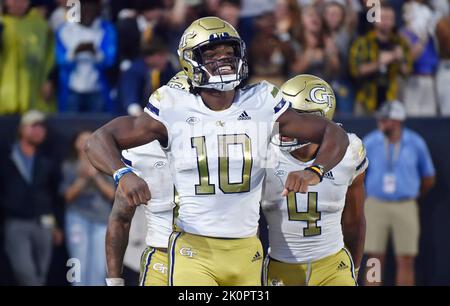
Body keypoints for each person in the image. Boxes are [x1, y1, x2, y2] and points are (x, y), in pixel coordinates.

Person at [85, 16, 349, 286]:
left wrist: (315, 172)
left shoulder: (261, 101)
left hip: (248, 248)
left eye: (229, 52)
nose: (223, 59)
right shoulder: (173, 105)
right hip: (193, 248)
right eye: (211, 53)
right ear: (190, 59)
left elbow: (334, 133)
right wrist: (123, 174)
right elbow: (97, 141)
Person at [262, 74, 368, 286]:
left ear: (319, 119)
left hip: (332, 266)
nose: (286, 122)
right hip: (280, 266)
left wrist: (354, 267)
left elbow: (354, 220)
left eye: (298, 115)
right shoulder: (263, 151)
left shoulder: (349, 152)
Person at [105, 72, 190, 287]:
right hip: (163, 254)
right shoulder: (140, 150)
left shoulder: (225, 143)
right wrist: (114, 280)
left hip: (216, 251)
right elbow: (120, 218)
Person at [363, 100, 436, 286]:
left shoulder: (415, 142)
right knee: (374, 258)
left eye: (386, 119)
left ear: (398, 121)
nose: (381, 123)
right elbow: (358, 175)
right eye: (380, 119)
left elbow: (428, 176)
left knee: (406, 258)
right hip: (375, 203)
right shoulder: (370, 142)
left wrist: (414, 194)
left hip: (406, 204)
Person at [0, 110, 62, 285]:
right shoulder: (6, 156)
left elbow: (52, 195)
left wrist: (55, 224)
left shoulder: (47, 160)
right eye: (34, 126)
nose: (38, 130)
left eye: (42, 127)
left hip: (44, 223)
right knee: (25, 273)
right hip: (16, 222)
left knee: (41, 275)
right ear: (21, 129)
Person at [60, 130, 115, 286]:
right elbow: (67, 196)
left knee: (99, 266)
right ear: (75, 144)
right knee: (78, 263)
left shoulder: (105, 165)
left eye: (89, 139)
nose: (85, 143)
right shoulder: (69, 166)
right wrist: (83, 178)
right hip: (77, 218)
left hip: (101, 220)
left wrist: (96, 176)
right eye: (82, 139)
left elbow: (111, 195)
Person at [349, 4, 412, 115]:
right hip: (366, 99)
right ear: (374, 20)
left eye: (390, 19)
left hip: (391, 98)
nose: (386, 22)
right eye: (383, 18)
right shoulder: (363, 42)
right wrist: (380, 62)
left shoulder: (400, 42)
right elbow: (356, 70)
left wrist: (400, 60)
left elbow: (407, 72)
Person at [55, 0, 117, 113]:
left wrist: (96, 53)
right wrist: (75, 52)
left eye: (92, 6)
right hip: (71, 89)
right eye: (84, 6)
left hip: (97, 88)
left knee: (98, 127)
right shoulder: (65, 29)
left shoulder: (107, 29)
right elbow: (60, 60)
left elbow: (110, 60)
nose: (88, 10)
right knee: (68, 127)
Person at [0, 0, 55, 115]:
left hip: (33, 98)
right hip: (4, 97)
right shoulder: (3, 24)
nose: (17, 3)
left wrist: (49, 79)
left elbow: (50, 56)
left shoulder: (41, 26)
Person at [400, 1, 439, 116]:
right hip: (413, 80)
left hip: (431, 80)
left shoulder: (431, 32)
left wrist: (429, 30)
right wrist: (422, 38)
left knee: (430, 118)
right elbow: (409, 57)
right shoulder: (404, 34)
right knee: (413, 117)